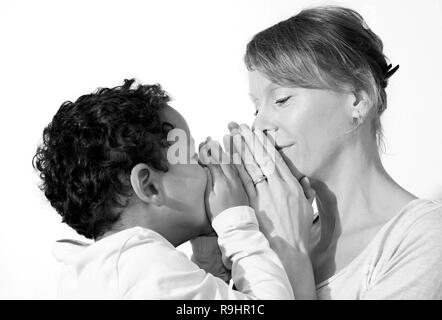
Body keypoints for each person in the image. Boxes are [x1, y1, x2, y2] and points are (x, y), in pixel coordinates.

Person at [224, 5, 442, 299]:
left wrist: (293, 254)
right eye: (256, 107)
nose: (259, 124)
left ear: (358, 100)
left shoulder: (423, 239)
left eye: (282, 99)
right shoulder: (268, 238)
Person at [32, 79, 294, 299]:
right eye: (191, 156)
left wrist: (209, 262)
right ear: (149, 186)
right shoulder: (146, 267)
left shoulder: (102, 272)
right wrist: (237, 224)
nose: (207, 162)